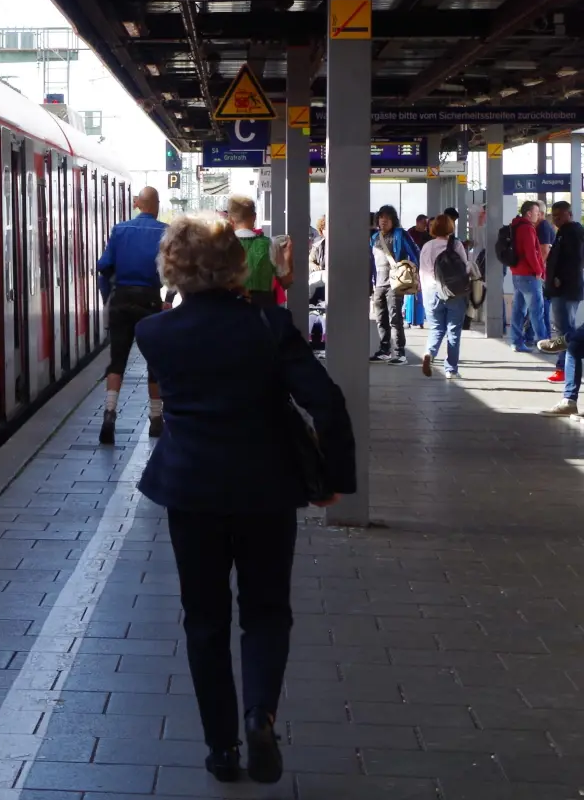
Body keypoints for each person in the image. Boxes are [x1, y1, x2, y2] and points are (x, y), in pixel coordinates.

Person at [134, 215, 357, 786]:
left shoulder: (154, 334)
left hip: (190, 488)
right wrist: (334, 479)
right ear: (236, 265)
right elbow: (325, 402)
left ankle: (222, 749)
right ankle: (261, 712)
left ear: (173, 270)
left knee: (204, 619)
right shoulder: (270, 324)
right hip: (266, 487)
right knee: (265, 610)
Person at [94, 185, 168, 444]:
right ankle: (156, 419)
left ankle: (110, 414)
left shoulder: (120, 229)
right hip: (149, 300)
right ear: (156, 205)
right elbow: (171, 272)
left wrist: (108, 300)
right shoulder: (164, 232)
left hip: (121, 299)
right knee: (154, 363)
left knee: (117, 361)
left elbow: (104, 268)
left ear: (139, 204)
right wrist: (168, 300)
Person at [539, 200, 584, 415]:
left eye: (560, 215)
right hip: (563, 290)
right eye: (553, 215)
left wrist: (559, 280)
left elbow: (573, 262)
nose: (556, 219)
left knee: (571, 338)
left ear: (569, 214)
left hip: (566, 290)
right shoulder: (564, 232)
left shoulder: (572, 233)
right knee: (573, 343)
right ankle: (569, 399)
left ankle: (561, 344)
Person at [418, 215, 471, 379]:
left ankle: (429, 353)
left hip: (431, 292)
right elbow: (465, 267)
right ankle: (451, 370)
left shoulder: (427, 246)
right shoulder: (456, 245)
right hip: (453, 292)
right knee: (453, 331)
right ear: (450, 227)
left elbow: (423, 271)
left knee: (436, 328)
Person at [369, 205, 419, 364]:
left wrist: (414, 274)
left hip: (395, 282)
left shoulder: (400, 234)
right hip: (379, 283)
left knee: (395, 317)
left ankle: (400, 352)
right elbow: (371, 261)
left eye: (387, 218)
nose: (383, 221)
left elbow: (415, 253)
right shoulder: (374, 237)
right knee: (380, 318)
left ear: (393, 220)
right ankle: (384, 350)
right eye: (381, 217)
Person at [226, 197, 286, 308]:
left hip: (231, 311)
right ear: (254, 217)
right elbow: (285, 280)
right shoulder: (271, 244)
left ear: (230, 220)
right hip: (263, 312)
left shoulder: (223, 246)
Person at [507, 200, 548, 353]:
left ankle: (516, 342)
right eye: (537, 213)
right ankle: (544, 344)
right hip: (529, 275)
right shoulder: (527, 229)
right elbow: (531, 252)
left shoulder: (516, 226)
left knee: (518, 310)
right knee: (537, 310)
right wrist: (539, 270)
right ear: (529, 213)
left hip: (517, 274)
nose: (538, 215)